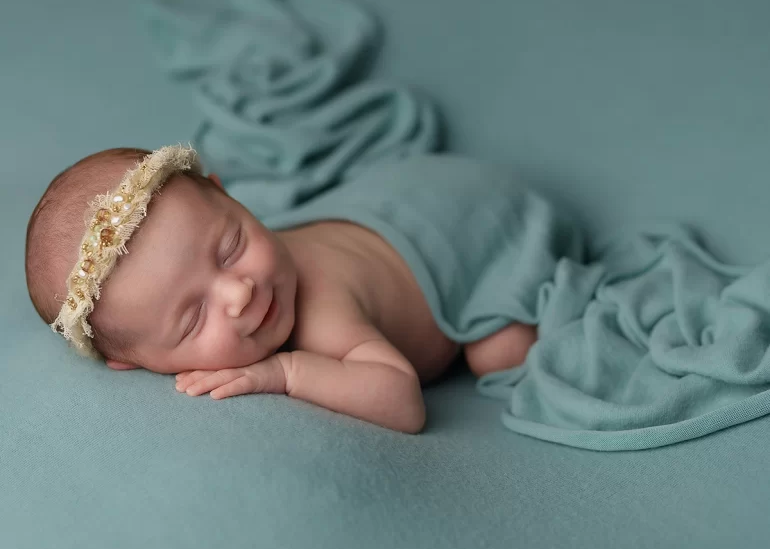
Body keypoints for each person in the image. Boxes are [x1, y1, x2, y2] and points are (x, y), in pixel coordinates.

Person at [25, 145, 540, 434]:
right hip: (416, 199)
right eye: (193, 318)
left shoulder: (324, 316)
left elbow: (404, 402)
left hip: (477, 227)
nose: (240, 294)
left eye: (230, 247)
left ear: (228, 195)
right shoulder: (244, 278)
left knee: (501, 354)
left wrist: (286, 372)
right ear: (129, 362)